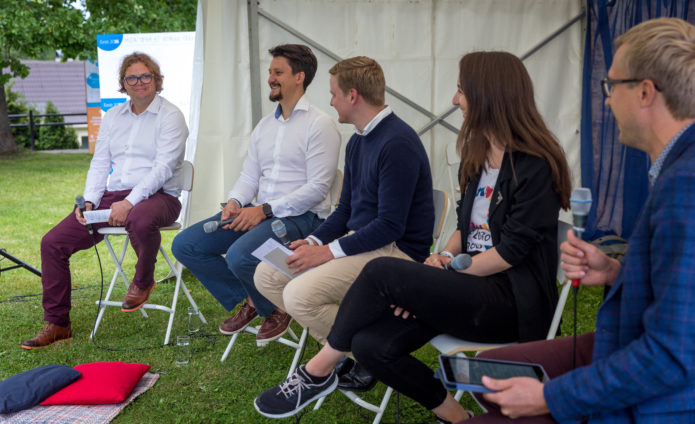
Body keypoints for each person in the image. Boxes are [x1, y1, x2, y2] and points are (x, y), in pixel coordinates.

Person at [254, 51, 572, 422]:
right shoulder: (480, 154)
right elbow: (464, 230)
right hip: (468, 287)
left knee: (384, 272)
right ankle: (458, 418)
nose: (454, 101)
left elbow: (510, 253)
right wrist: (442, 263)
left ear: (488, 94)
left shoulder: (535, 164)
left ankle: (316, 372)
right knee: (369, 345)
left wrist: (437, 279)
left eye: (460, 91)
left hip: (512, 301)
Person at [461, 17, 695, 424]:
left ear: (644, 92)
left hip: (657, 397)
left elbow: (672, 354)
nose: (605, 101)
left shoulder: (685, 186)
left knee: (494, 406)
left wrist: (551, 397)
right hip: (622, 344)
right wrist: (615, 272)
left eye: (611, 86)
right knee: (489, 376)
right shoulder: (675, 170)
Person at [253, 56, 434, 392]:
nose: (331, 101)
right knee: (266, 275)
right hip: (365, 241)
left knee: (298, 296)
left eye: (334, 93)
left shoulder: (397, 143)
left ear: (353, 96)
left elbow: (390, 227)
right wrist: (313, 240)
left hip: (398, 254)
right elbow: (346, 208)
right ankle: (354, 353)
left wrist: (327, 253)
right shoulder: (358, 140)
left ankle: (366, 353)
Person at [171, 44, 340, 343]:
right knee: (187, 244)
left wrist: (263, 210)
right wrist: (236, 201)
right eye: (270, 72)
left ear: (299, 77)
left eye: (278, 72)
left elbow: (317, 189)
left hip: (301, 219)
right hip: (259, 212)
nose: (271, 78)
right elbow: (249, 175)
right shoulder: (265, 126)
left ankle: (270, 302)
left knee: (239, 255)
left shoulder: (320, 125)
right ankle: (258, 300)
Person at [22, 52, 188, 349]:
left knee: (139, 218)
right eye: (131, 78)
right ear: (123, 83)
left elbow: (163, 168)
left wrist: (130, 202)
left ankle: (142, 280)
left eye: (145, 76)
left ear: (156, 80)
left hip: (161, 196)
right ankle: (58, 323)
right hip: (115, 196)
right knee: (53, 242)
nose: (139, 83)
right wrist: (88, 202)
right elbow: (100, 164)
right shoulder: (113, 117)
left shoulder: (171, 116)